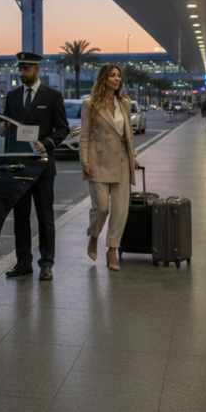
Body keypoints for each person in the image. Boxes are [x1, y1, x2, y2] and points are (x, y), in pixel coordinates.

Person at [3, 52, 70, 281]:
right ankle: (23, 262)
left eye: (26, 69)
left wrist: (48, 143)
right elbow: (7, 124)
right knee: (20, 218)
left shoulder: (52, 96)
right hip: (20, 167)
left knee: (45, 217)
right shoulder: (12, 96)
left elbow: (63, 129)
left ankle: (46, 263)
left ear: (38, 69)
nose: (22, 73)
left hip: (43, 167)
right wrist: (3, 130)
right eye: (20, 68)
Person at [80, 64, 141, 271]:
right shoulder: (90, 104)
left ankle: (112, 249)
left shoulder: (124, 102)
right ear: (103, 79)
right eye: (112, 76)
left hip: (123, 160)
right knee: (102, 208)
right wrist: (85, 162)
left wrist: (133, 156)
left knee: (120, 209)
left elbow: (128, 134)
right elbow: (84, 137)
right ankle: (94, 235)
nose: (117, 79)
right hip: (97, 161)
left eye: (119, 76)